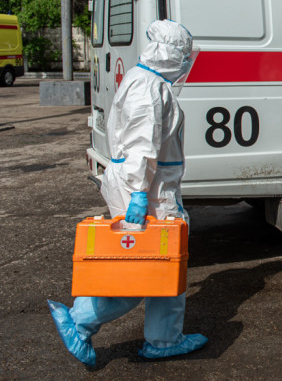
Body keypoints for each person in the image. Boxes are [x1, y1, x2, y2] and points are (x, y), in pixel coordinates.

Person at [47, 20, 207, 366]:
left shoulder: (147, 80)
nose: (186, 61)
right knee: (145, 268)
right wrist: (138, 192)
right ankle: (80, 320)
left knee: (165, 264)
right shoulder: (148, 88)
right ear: (168, 53)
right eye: (183, 54)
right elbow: (141, 145)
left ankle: (164, 339)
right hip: (149, 190)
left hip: (150, 186)